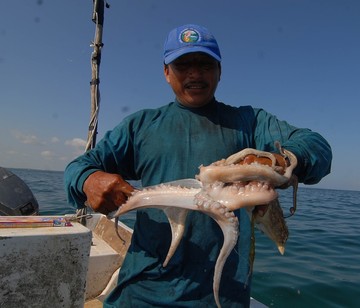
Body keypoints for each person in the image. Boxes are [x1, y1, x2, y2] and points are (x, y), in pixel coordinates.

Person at [65, 24, 332, 307]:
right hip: (143, 293)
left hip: (223, 296)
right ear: (167, 73)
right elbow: (79, 167)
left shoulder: (249, 122)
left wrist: (285, 160)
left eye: (205, 64)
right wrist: (88, 179)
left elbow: (316, 146)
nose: (195, 73)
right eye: (183, 65)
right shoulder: (140, 126)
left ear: (219, 71)